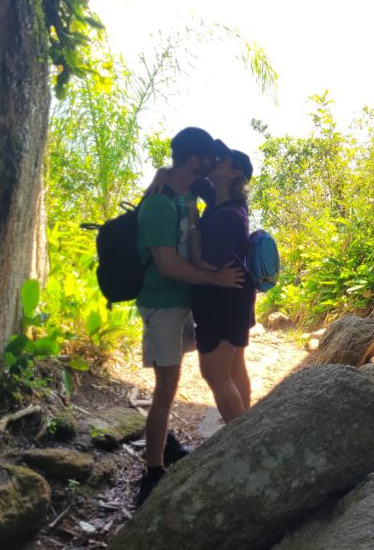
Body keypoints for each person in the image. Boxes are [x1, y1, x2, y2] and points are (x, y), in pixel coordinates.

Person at [135, 127, 245, 506]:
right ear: (196, 160)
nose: (214, 163)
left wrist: (164, 174)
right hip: (162, 305)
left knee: (188, 377)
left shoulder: (183, 198)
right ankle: (151, 473)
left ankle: (164, 444)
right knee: (166, 387)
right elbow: (166, 265)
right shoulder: (160, 205)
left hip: (182, 304)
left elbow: (207, 189)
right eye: (209, 159)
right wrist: (214, 277)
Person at [188, 150, 257, 422]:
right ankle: (247, 427)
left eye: (221, 160)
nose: (213, 161)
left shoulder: (226, 216)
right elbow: (196, 180)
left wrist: (194, 223)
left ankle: (239, 441)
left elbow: (202, 261)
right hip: (236, 299)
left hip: (222, 303)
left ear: (234, 173)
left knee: (215, 373)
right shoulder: (224, 201)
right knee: (234, 366)